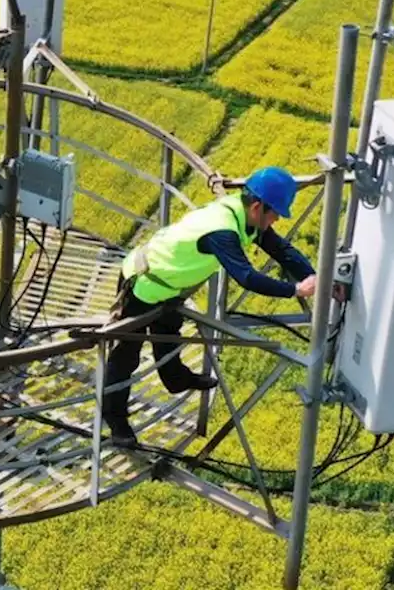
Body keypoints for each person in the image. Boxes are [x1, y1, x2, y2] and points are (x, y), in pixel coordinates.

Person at [102, 166, 320, 446]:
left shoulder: (245, 217)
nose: (277, 219)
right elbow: (247, 277)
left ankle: (176, 379)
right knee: (125, 355)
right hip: (143, 282)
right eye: (276, 213)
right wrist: (295, 290)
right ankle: (116, 421)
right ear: (257, 206)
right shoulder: (223, 231)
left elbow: (282, 250)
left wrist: (313, 275)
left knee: (168, 330)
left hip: (169, 283)